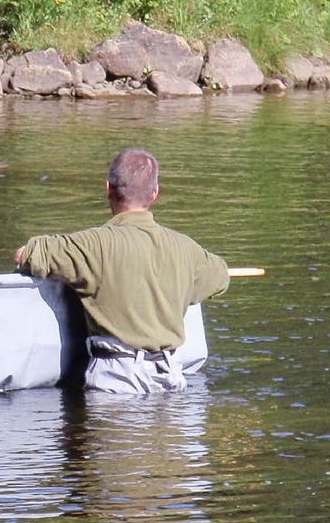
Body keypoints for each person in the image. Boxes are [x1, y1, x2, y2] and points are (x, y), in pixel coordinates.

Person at [13, 148, 229, 394]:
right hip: (171, 380)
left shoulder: (91, 246)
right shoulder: (186, 249)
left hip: (116, 383)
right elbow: (221, 276)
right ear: (155, 194)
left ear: (108, 189)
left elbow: (26, 254)